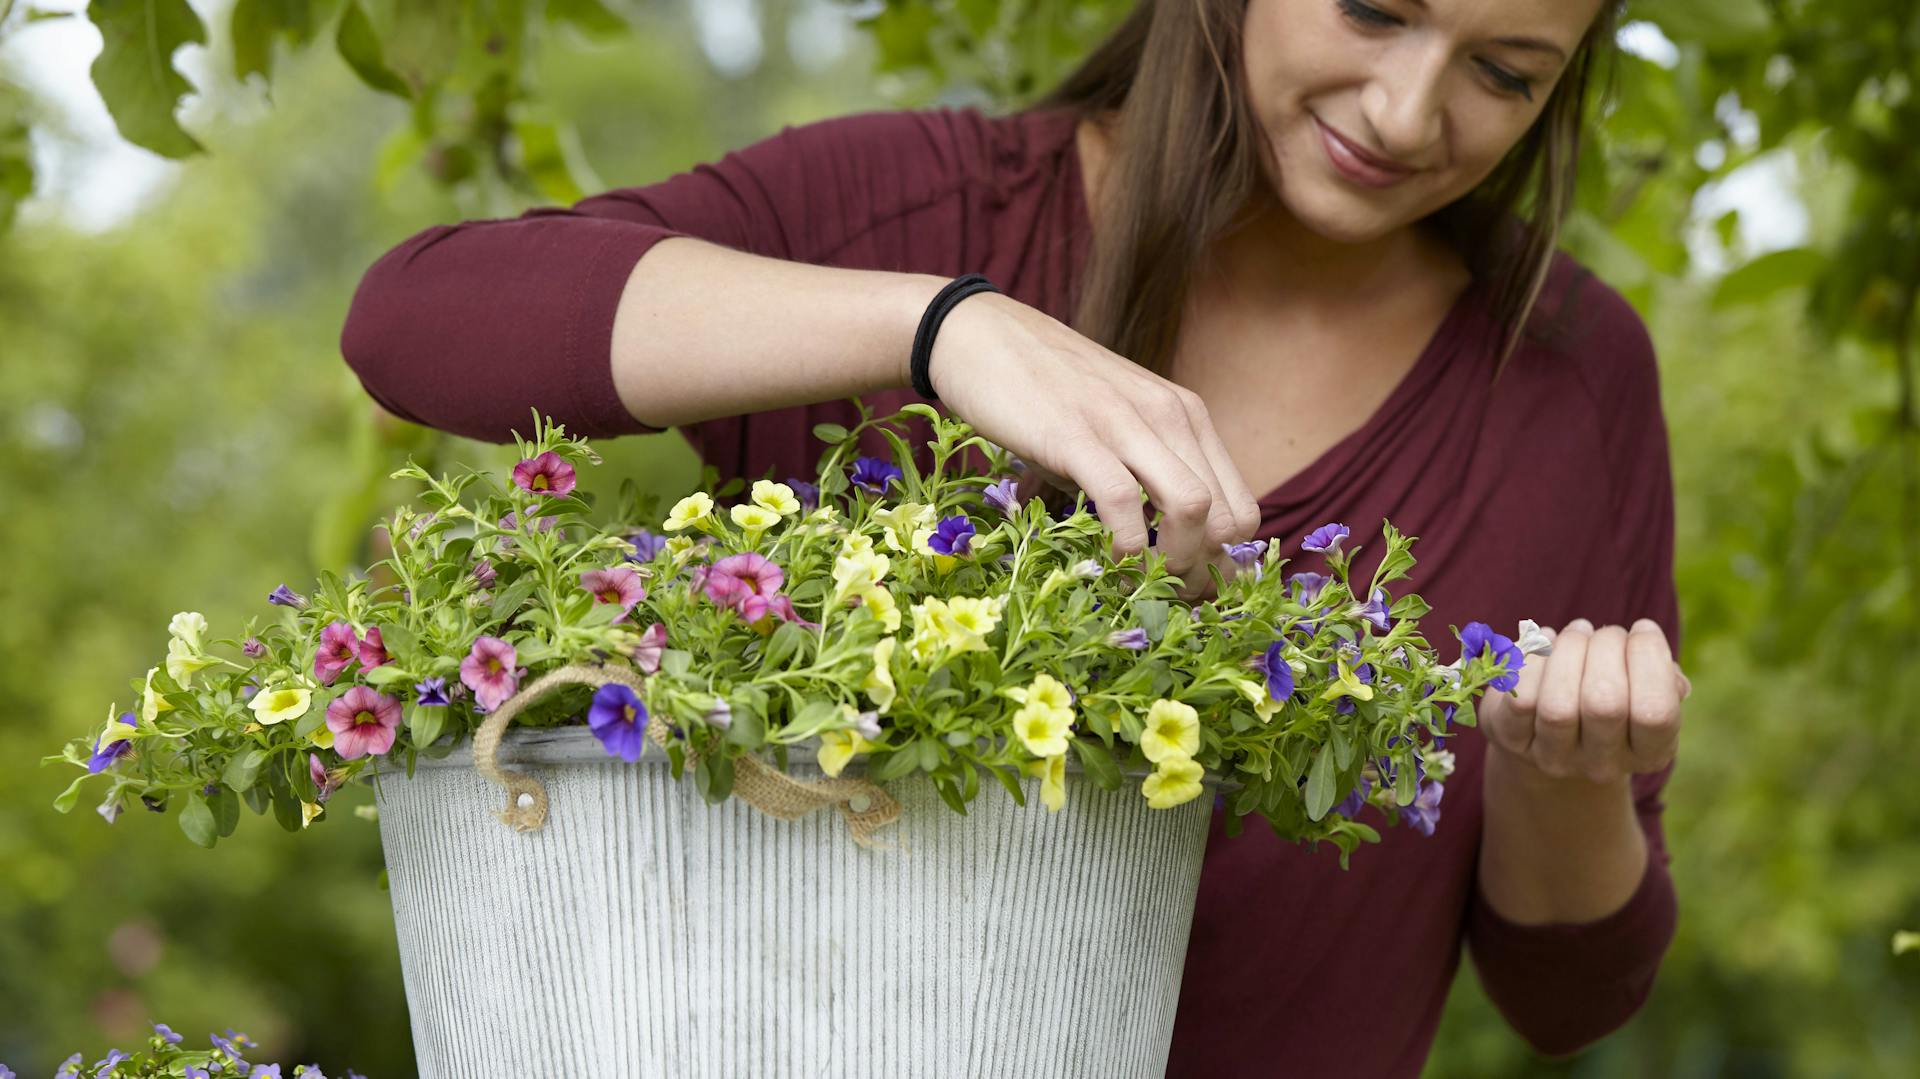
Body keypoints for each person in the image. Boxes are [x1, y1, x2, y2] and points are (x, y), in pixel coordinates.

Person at [341, 0, 1695, 1072]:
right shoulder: (921, 213)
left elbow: (1570, 997)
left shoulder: (1566, 382)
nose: (1408, 113)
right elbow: (415, 321)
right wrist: (943, 327)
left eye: (1506, 75)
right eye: (1371, 10)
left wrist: (1564, 773)